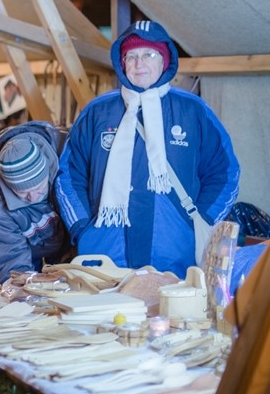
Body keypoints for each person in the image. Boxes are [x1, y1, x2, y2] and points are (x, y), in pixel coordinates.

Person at [55, 20, 240, 278]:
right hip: (105, 256)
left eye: (149, 55)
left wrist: (203, 220)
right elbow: (69, 173)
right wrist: (82, 227)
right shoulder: (99, 112)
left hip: (175, 256)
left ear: (165, 61)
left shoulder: (192, 111)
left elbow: (225, 172)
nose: (139, 63)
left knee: (169, 318)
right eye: (131, 56)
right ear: (122, 63)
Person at [0, 121, 70, 284]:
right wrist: (24, 294)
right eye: (22, 192)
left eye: (39, 188)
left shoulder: (70, 166)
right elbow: (9, 261)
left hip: (73, 248)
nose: (33, 197)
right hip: (30, 251)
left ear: (49, 170)